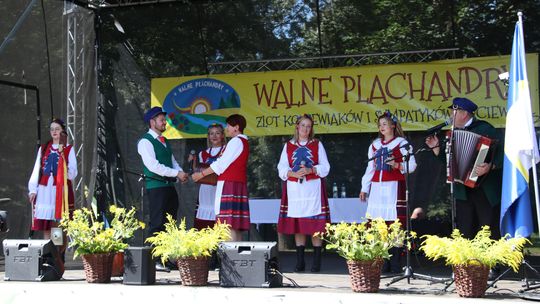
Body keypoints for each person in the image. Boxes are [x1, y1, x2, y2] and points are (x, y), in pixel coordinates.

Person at [425, 97, 503, 240]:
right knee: (465, 229)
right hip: (462, 190)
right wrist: (436, 150)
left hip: (484, 188)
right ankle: (467, 262)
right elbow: (451, 162)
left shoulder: (485, 129)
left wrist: (490, 166)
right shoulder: (453, 132)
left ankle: (490, 261)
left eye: (453, 112)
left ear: (464, 113)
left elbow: (503, 153)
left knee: (487, 228)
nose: (450, 116)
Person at [360, 111, 416, 273]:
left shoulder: (402, 143)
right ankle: (383, 260)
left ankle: (396, 261)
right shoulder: (375, 145)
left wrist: (398, 165)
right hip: (377, 188)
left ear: (393, 126)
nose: (382, 127)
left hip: (394, 186)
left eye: (385, 124)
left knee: (395, 224)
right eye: (380, 125)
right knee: (379, 223)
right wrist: (364, 187)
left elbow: (412, 166)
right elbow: (370, 168)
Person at [277, 114, 331, 273]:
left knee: (315, 226)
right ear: (297, 127)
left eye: (309, 126)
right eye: (303, 126)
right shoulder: (288, 145)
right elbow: (281, 168)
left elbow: (326, 167)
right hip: (295, 191)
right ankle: (300, 262)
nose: (305, 129)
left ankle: (316, 262)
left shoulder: (317, 144)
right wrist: (291, 174)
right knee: (299, 225)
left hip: (312, 189)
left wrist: (312, 169)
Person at [137, 106, 188, 271]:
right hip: (156, 187)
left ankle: (166, 258)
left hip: (169, 186)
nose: (164, 122)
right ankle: (155, 258)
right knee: (157, 223)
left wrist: (180, 173)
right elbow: (153, 166)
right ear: (152, 122)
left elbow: (172, 161)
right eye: (161, 119)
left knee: (169, 223)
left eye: (164, 119)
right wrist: (176, 173)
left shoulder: (164, 141)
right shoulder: (145, 141)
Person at [28, 118, 77, 272]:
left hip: (59, 190)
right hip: (45, 189)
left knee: (58, 224)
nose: (54, 132)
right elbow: (37, 168)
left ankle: (57, 255)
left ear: (63, 131)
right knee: (46, 225)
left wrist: (64, 167)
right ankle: (47, 254)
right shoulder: (44, 148)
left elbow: (73, 173)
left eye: (57, 129)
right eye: (52, 129)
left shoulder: (68, 148)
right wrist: (33, 189)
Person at [192, 114, 250, 241]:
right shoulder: (243, 141)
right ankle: (236, 257)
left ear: (236, 127)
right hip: (236, 184)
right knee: (234, 225)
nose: (227, 128)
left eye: (229, 125)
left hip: (230, 185)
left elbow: (220, 164)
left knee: (227, 224)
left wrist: (201, 174)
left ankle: (230, 258)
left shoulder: (236, 141)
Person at [188, 123, 226, 229]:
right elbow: (198, 171)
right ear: (208, 136)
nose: (214, 136)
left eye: (217, 133)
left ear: (222, 135)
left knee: (218, 215)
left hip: (220, 188)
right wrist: (193, 164)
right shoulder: (202, 154)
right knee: (204, 220)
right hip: (206, 188)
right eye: (211, 134)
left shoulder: (226, 151)